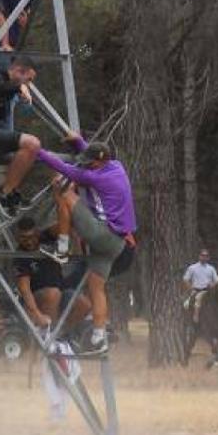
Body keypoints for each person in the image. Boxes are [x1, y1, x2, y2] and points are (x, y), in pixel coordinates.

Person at [36, 137, 137, 354]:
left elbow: (62, 168)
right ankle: (99, 338)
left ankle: (62, 247)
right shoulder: (116, 166)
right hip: (116, 244)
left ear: (99, 163)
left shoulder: (95, 177)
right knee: (96, 289)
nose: (87, 165)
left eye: (90, 163)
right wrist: (80, 143)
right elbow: (94, 155)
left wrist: (40, 152)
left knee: (62, 191)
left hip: (102, 235)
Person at [0, 56, 41, 214]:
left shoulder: (7, 83)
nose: (28, 84)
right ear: (19, 71)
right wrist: (18, 86)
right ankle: (4, 193)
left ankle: (10, 190)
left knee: (31, 151)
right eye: (28, 79)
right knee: (32, 144)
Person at [15, 217, 91, 333]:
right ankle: (50, 336)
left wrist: (75, 238)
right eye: (23, 238)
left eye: (31, 237)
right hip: (37, 297)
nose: (29, 242)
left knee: (84, 304)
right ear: (18, 237)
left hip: (59, 291)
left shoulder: (46, 237)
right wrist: (36, 314)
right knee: (52, 294)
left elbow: (67, 222)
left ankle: (62, 334)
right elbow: (24, 289)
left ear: (37, 233)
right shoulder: (20, 255)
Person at [182, 248, 218, 315]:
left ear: (208, 258)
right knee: (186, 304)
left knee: (200, 298)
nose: (204, 257)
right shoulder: (192, 268)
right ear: (199, 256)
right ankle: (188, 322)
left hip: (207, 291)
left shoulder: (211, 268)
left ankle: (196, 317)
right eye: (202, 255)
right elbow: (185, 279)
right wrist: (190, 287)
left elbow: (217, 281)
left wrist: (212, 284)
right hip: (195, 290)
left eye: (206, 256)